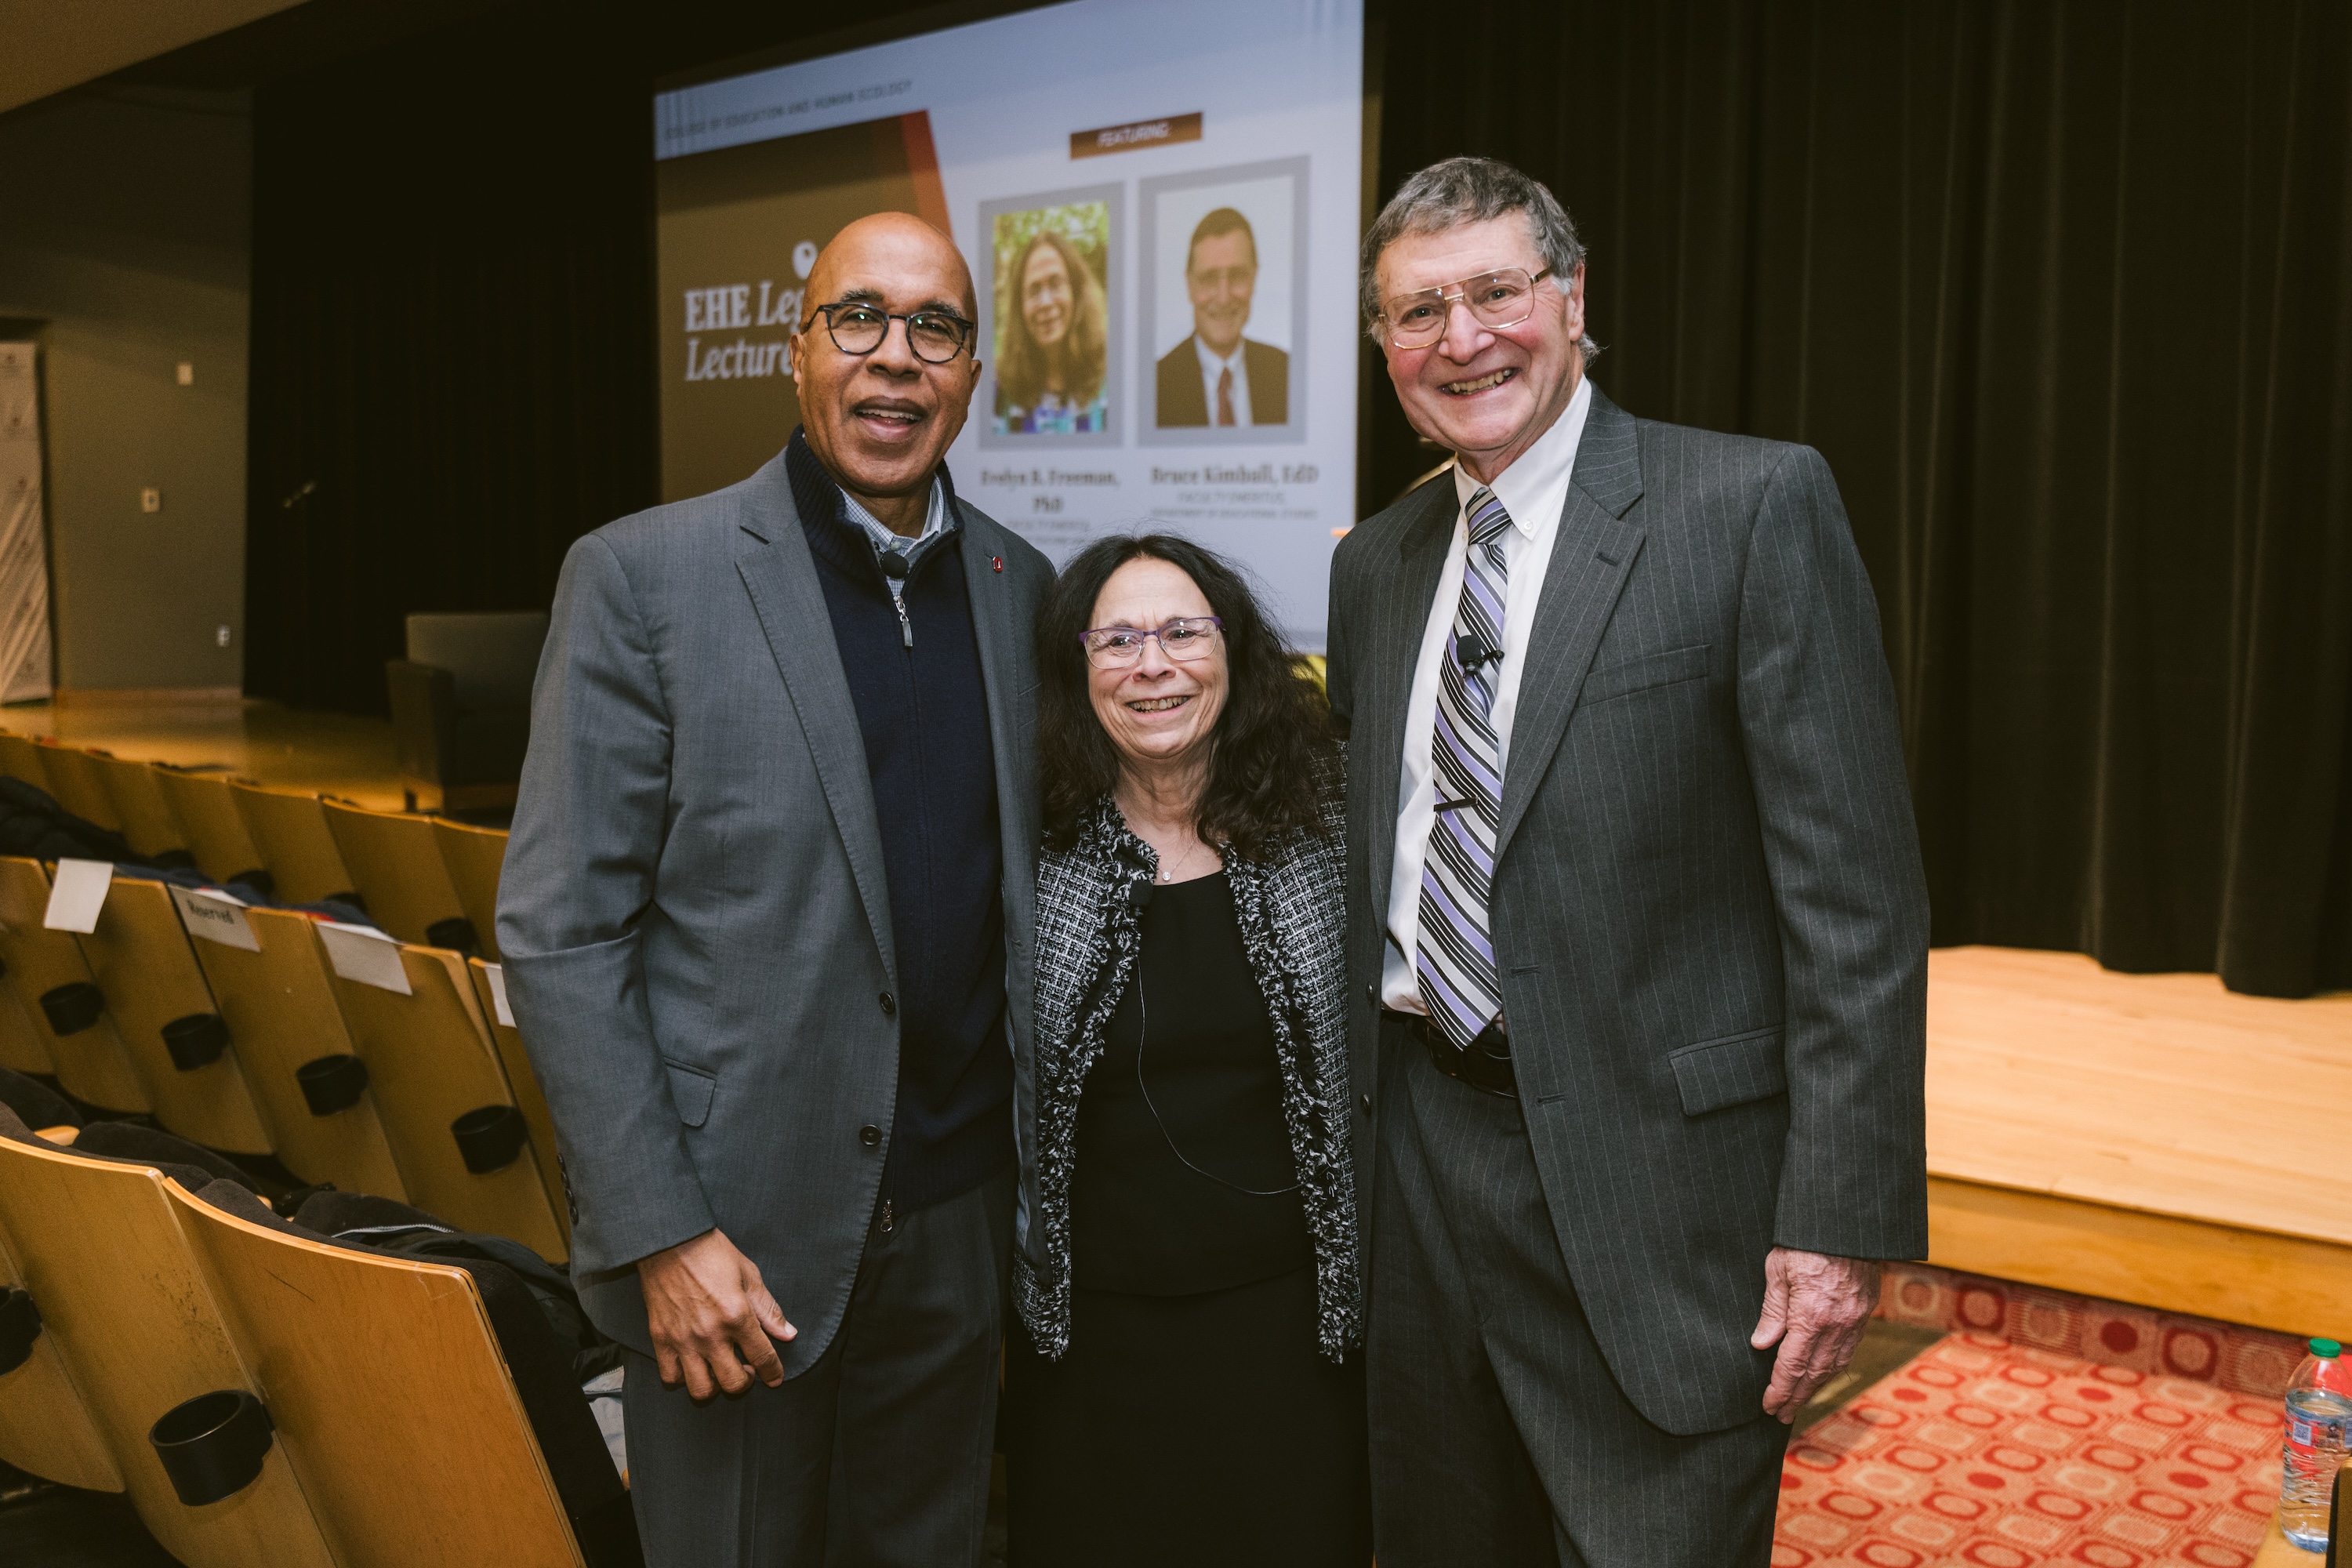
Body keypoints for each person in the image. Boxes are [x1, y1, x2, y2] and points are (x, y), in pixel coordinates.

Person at [1326, 156, 1930, 1566]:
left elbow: (1856, 902)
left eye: (1495, 292)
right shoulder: (1379, 567)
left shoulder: (1749, 508)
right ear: (1383, 348)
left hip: (1659, 1199)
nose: (1461, 338)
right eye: (1419, 313)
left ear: (1574, 297)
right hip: (1418, 1169)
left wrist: (1836, 1221)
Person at [499, 210, 1054, 1568]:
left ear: (972, 373)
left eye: (934, 329)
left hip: (956, 1218)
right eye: (856, 318)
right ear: (796, 351)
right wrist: (658, 1232)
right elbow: (561, 930)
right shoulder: (645, 577)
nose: (894, 360)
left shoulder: (1019, 586)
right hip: (730, 1238)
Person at [1004, 534, 1370, 1567]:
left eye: (1180, 632)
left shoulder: (1331, 816)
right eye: (1116, 639)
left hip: (1293, 1329)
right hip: (1089, 1339)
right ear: (1078, 672)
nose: (1151, 664)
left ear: (1235, 651)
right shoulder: (1029, 843)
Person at [1153, 208, 1289, 426]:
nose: (1224, 298)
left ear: (1254, 278)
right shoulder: (1156, 385)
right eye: (1209, 278)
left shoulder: (1287, 374)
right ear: (1189, 285)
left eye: (1237, 276)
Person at [993, 227, 1109, 434]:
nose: (1045, 302)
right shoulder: (997, 391)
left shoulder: (1111, 381)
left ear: (1076, 291)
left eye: (1056, 284)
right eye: (1034, 290)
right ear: (1020, 307)